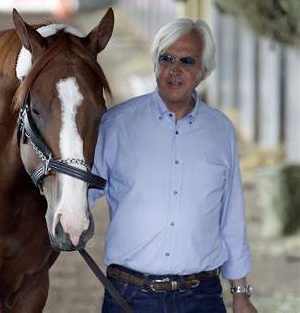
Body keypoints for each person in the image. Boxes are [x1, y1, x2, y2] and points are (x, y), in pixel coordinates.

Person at [89, 18, 258, 313]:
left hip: (202, 298)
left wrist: (240, 293)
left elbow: (230, 217)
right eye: (166, 58)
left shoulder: (220, 131)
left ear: (203, 72)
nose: (174, 69)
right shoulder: (116, 125)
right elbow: (78, 194)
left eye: (187, 61)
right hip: (129, 296)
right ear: (155, 64)